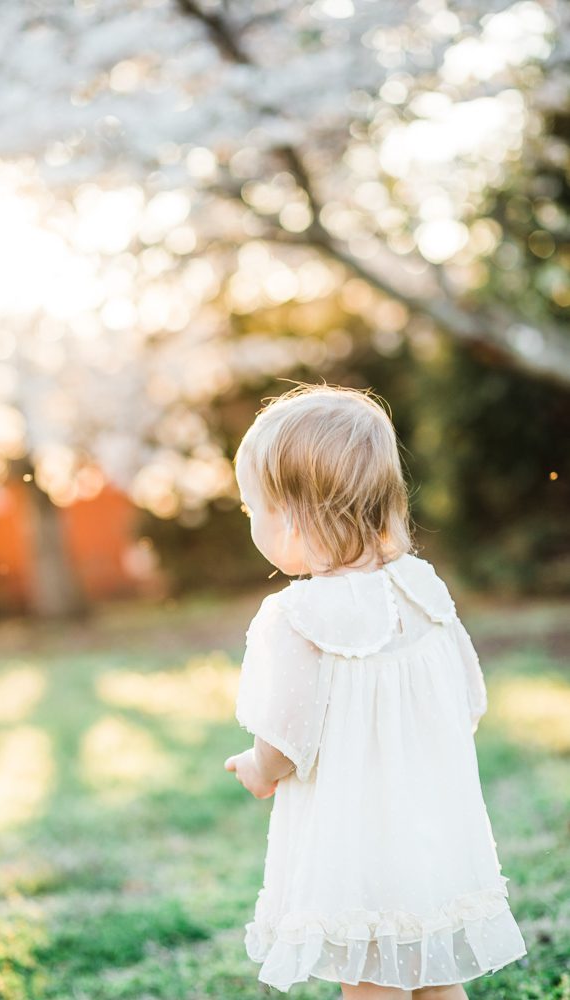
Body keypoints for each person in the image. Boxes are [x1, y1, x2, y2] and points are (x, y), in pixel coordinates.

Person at [224, 384, 528, 1000]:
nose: (251, 521)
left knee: (369, 981)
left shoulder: (299, 615)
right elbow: (468, 697)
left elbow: (287, 736)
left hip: (353, 838)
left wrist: (258, 767)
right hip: (431, 829)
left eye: (252, 507)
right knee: (436, 977)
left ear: (294, 514)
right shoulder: (422, 591)